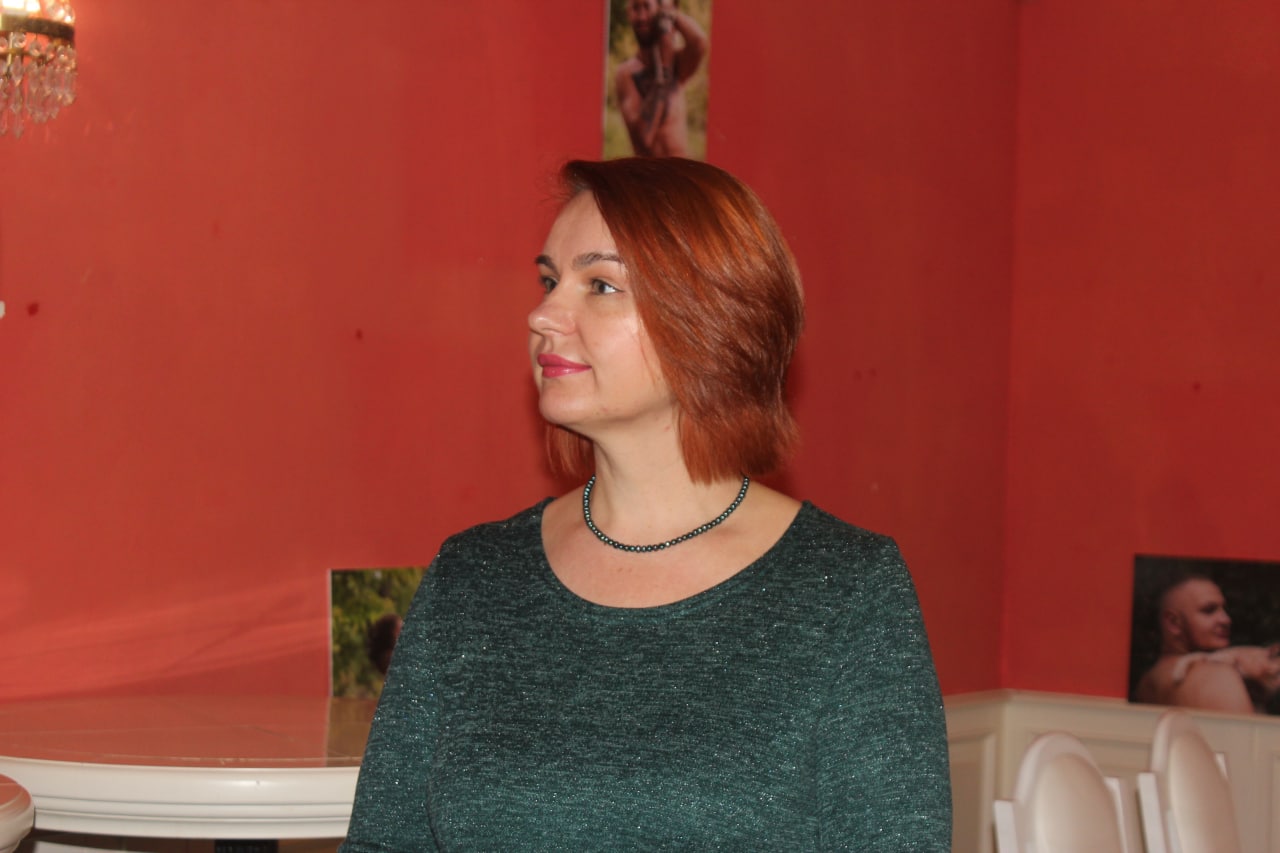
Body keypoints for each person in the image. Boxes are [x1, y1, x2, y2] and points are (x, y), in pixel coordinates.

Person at [341, 157, 952, 850]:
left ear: (712, 321)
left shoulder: (845, 592)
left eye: (601, 285)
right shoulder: (473, 578)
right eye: (549, 280)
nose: (542, 315)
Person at [1132, 573, 1280, 713]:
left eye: (1224, 609)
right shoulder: (1218, 678)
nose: (1226, 619)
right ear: (1173, 622)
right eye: (1209, 610)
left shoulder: (1146, 682)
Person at [614, 0, 708, 157]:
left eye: (647, 7)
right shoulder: (625, 74)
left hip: (680, 171)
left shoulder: (678, 65)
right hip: (648, 172)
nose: (642, 17)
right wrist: (663, 70)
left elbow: (699, 42)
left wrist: (670, 13)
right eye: (635, 8)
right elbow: (644, 138)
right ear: (628, 14)